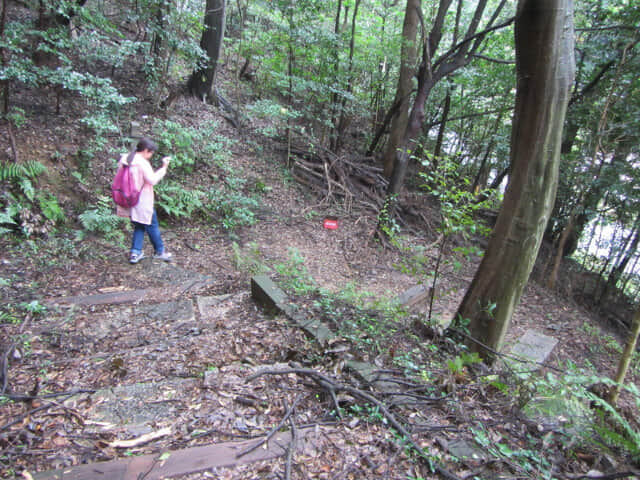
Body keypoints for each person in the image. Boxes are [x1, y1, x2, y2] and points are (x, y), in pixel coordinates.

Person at [115, 138, 173, 264]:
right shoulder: (142, 163)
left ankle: (135, 253)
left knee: (139, 224)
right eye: (151, 153)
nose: (151, 156)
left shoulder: (125, 159)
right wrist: (164, 167)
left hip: (128, 198)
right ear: (146, 151)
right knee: (152, 225)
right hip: (142, 200)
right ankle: (160, 251)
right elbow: (152, 180)